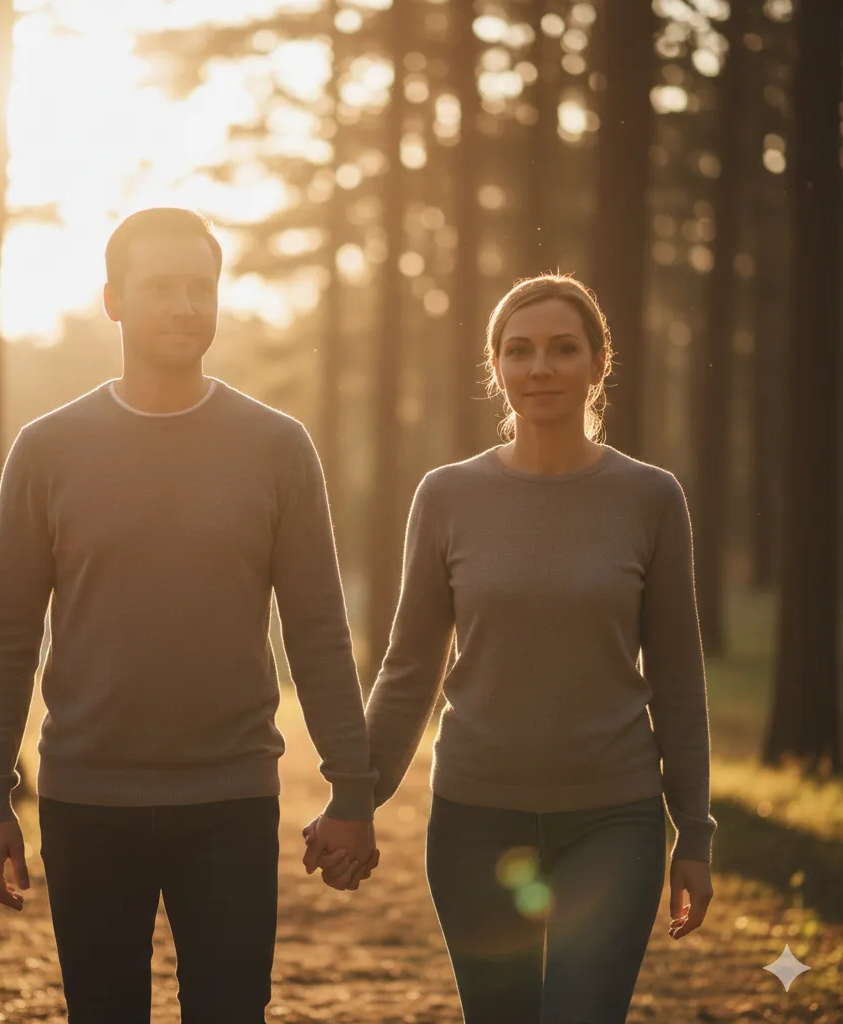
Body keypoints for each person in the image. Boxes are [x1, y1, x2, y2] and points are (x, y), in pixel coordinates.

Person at [0, 207, 377, 1024]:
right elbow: (6, 634)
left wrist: (352, 789)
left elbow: (319, 630)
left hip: (230, 801)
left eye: (202, 286)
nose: (187, 305)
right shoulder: (47, 450)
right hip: (86, 805)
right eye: (161, 287)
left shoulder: (277, 447)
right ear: (113, 300)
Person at [308, 273, 717, 1023]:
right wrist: (355, 799)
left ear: (599, 363)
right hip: (475, 821)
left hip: (613, 820)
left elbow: (679, 674)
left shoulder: (651, 498)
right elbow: (408, 669)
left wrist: (694, 831)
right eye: (519, 351)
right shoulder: (447, 497)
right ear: (495, 368)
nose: (540, 368)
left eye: (564, 349)